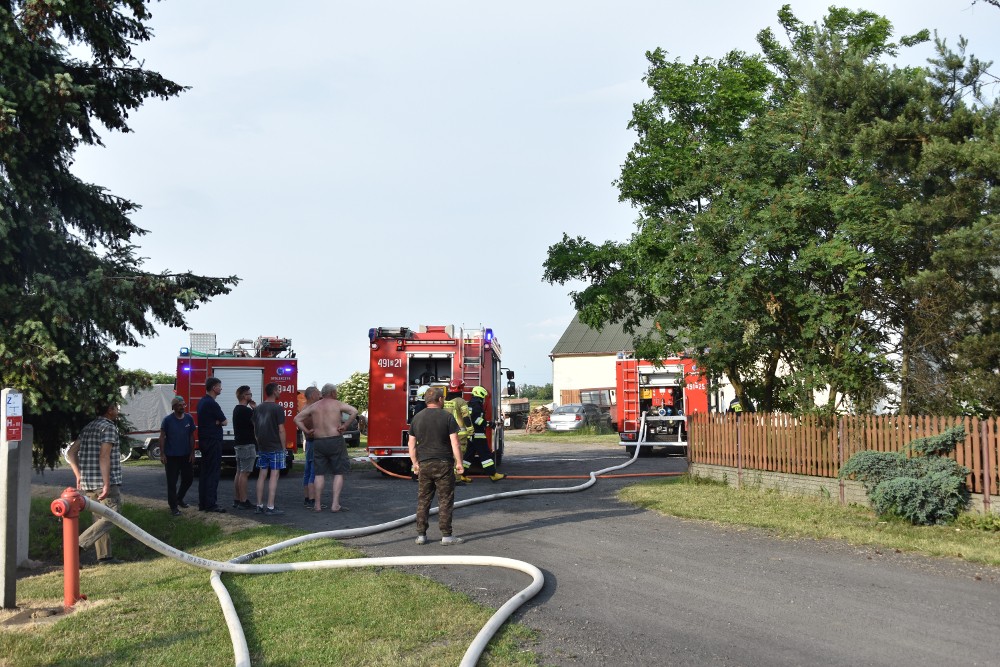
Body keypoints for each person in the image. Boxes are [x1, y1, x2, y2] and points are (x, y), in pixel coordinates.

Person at [66, 400, 124, 564]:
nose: (117, 411)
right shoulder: (109, 427)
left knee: (100, 519)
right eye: (115, 408)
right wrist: (106, 483)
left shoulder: (88, 427)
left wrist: (79, 475)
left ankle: (105, 557)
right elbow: (104, 456)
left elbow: (71, 453)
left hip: (89, 483)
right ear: (110, 410)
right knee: (114, 516)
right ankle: (76, 545)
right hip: (105, 483)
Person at [408, 386, 465, 545]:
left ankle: (421, 535)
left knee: (423, 500)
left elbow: (411, 444)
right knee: (445, 500)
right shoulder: (447, 417)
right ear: (440, 400)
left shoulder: (417, 418)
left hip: (424, 464)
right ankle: (446, 536)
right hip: (444, 464)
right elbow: (455, 442)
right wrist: (459, 462)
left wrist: (415, 463)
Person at [294, 383, 357, 513]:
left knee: (319, 473)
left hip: (318, 441)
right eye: (336, 392)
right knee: (338, 473)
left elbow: (297, 419)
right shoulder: (337, 404)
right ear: (333, 393)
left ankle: (317, 504)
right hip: (335, 440)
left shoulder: (314, 406)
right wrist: (345, 426)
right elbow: (354, 411)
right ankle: (335, 504)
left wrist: (307, 431)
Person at [252, 382, 287, 515]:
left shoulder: (258, 408)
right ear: (274, 391)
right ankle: (270, 507)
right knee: (274, 475)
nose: (280, 392)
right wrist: (284, 448)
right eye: (279, 390)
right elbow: (281, 430)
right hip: (275, 447)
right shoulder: (277, 408)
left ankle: (259, 505)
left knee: (262, 475)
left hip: (263, 447)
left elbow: (255, 428)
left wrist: (259, 441)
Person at [159, 396, 196, 516]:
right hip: (171, 456)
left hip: (186, 455)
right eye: (180, 405)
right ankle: (173, 506)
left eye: (183, 405)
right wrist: (162, 453)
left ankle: (179, 498)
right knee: (172, 482)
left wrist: (192, 452)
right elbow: (162, 437)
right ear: (174, 407)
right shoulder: (168, 420)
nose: (182, 407)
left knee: (188, 478)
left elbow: (191, 436)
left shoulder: (189, 418)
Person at [196, 377, 228, 513]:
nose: (221, 389)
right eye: (220, 386)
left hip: (204, 440)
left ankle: (203, 503)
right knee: (213, 473)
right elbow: (225, 421)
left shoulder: (202, 402)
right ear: (214, 388)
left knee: (205, 472)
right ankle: (211, 504)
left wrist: (217, 422)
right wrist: (218, 422)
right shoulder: (212, 404)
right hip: (213, 441)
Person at [465, 385, 505, 482]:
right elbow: (476, 419)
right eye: (483, 396)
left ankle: (461, 474)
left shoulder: (471, 403)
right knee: (485, 454)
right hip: (478, 434)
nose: (483, 398)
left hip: (472, 434)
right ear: (480, 394)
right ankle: (493, 474)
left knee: (468, 455)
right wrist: (488, 424)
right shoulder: (477, 404)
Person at [231, 385, 257, 510]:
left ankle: (237, 499)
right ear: (243, 396)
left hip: (238, 443)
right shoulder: (247, 411)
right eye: (249, 394)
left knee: (239, 472)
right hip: (247, 444)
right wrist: (255, 409)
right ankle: (243, 500)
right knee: (245, 473)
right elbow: (258, 422)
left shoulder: (236, 409)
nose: (251, 396)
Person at [444, 378, 474, 484]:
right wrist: (470, 430)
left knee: (447, 456)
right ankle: (456, 479)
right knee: (458, 456)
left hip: (446, 433)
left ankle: (446, 477)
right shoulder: (461, 402)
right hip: (459, 434)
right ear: (460, 389)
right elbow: (466, 417)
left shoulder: (444, 401)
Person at [298, 386, 321, 508]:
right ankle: (312, 499)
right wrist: (308, 431)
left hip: (309, 442)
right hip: (314, 442)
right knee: (313, 472)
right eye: (318, 393)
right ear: (312, 395)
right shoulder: (312, 409)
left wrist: (305, 431)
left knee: (307, 472)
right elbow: (297, 421)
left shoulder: (304, 408)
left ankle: (307, 497)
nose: (319, 396)